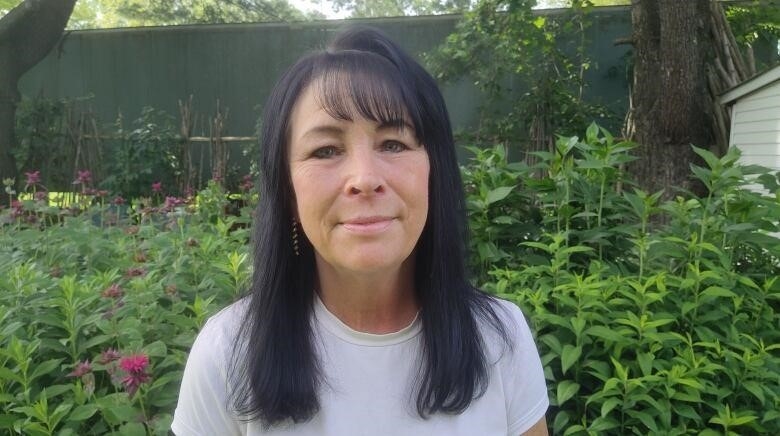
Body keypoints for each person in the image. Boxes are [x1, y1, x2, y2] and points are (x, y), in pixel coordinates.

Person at [172, 26, 549, 435]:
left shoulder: (500, 338)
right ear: (288, 192)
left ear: (433, 173)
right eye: (326, 150)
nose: (365, 179)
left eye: (392, 143)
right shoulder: (227, 353)